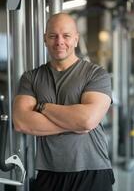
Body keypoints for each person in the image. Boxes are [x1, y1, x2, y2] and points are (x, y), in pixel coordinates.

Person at [13, 13, 115, 191]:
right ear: (45, 39)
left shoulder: (96, 74)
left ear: (76, 39)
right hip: (48, 172)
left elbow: (87, 120)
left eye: (66, 36)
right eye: (53, 36)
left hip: (92, 170)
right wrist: (75, 124)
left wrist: (43, 107)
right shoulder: (31, 78)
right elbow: (21, 122)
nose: (59, 41)